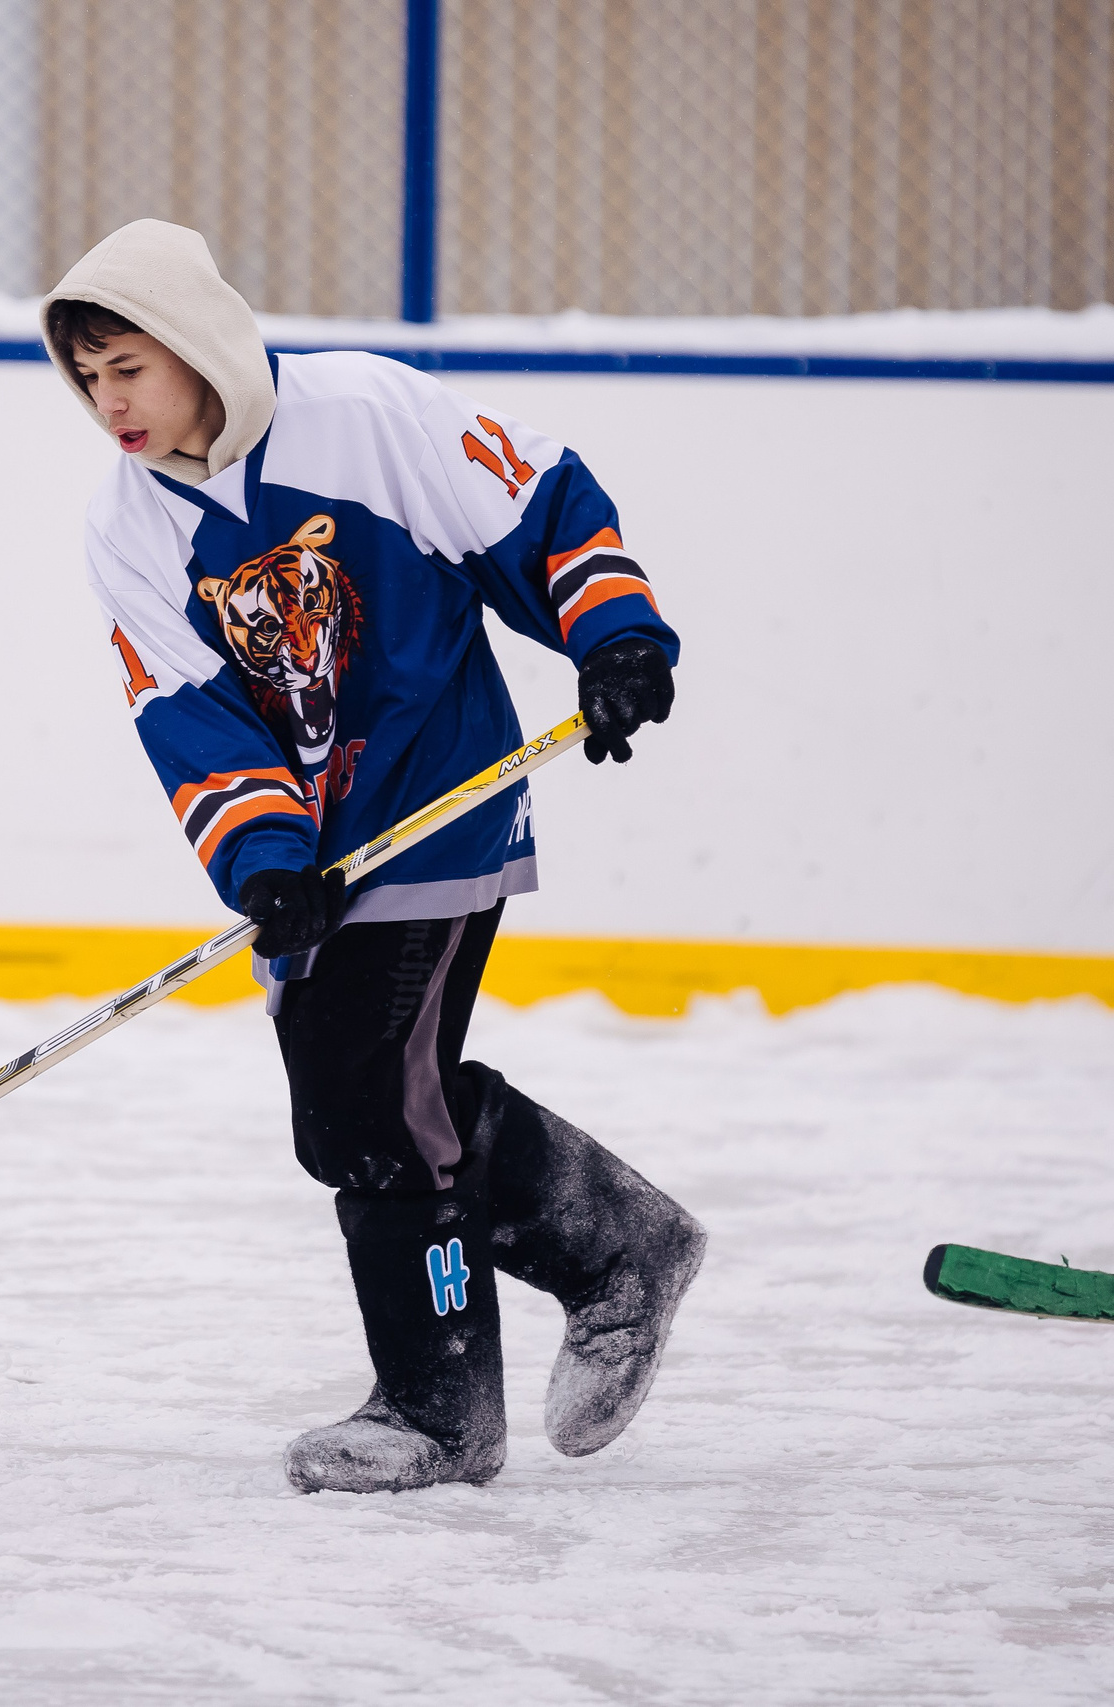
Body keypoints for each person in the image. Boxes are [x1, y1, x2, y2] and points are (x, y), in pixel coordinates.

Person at [41, 220, 703, 1494]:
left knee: (376, 1100)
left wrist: (613, 637)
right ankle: (619, 1246)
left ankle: (440, 1411)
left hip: (440, 801)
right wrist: (264, 859)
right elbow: (188, 714)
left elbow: (540, 508)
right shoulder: (127, 524)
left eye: (127, 368)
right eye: (86, 379)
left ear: (194, 345)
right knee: (350, 1111)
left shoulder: (362, 413)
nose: (108, 402)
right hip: (325, 853)